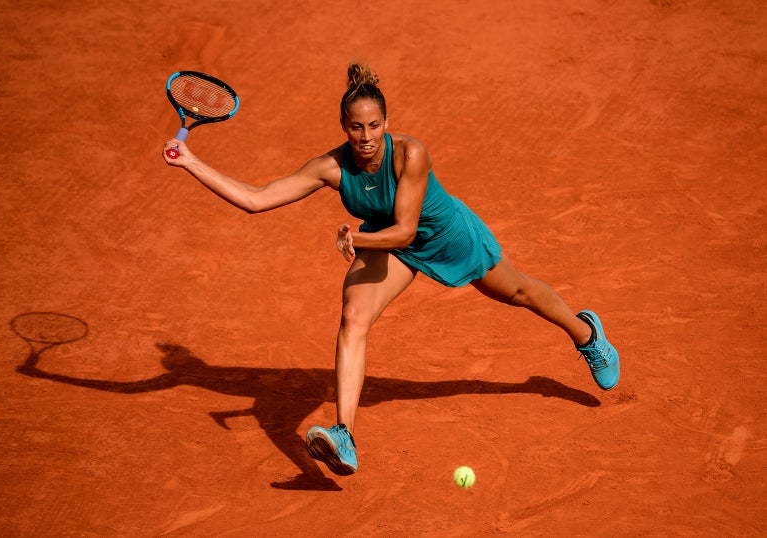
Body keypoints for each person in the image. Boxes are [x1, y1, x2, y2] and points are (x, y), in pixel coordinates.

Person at [162, 63, 620, 477]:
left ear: (387, 123)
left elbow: (404, 230)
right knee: (353, 319)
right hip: (387, 243)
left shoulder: (410, 154)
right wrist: (191, 163)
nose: (365, 137)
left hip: (443, 233)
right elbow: (256, 199)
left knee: (517, 291)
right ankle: (345, 434)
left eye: (374, 126)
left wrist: (355, 238)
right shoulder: (330, 166)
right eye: (356, 127)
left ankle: (586, 334)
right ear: (343, 126)